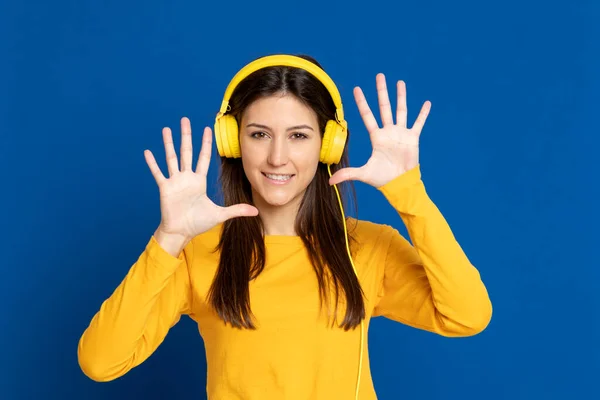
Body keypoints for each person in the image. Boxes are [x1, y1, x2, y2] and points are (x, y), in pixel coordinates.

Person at [77, 54, 492, 400]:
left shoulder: (367, 247)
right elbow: (100, 361)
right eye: (259, 134)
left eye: (298, 135)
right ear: (233, 141)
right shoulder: (197, 253)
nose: (278, 157)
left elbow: (468, 316)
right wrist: (167, 239)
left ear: (327, 146)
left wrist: (408, 193)